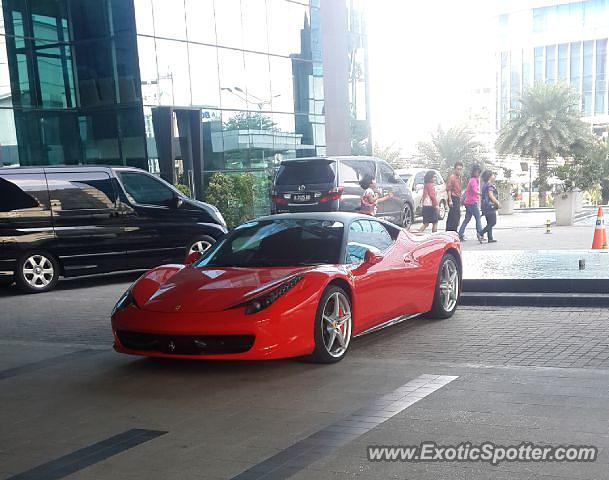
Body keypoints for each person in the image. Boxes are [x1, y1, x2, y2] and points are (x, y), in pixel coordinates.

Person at [458, 165, 484, 242]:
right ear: (474, 172)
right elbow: (475, 190)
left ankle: (460, 233)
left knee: (467, 219)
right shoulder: (473, 180)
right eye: (477, 172)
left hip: (469, 202)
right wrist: (481, 194)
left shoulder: (475, 180)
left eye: (479, 172)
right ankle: (480, 233)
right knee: (478, 218)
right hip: (472, 202)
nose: (478, 173)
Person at [480, 170, 501, 243]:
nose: (493, 176)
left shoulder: (484, 185)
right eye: (492, 175)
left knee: (489, 222)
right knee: (493, 222)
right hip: (490, 206)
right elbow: (491, 196)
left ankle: (490, 238)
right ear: (489, 176)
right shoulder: (489, 185)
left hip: (485, 207)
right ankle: (481, 233)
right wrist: (498, 203)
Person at [445, 162, 464, 232]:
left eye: (460, 169)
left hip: (457, 198)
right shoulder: (452, 178)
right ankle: (451, 231)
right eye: (458, 169)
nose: (459, 171)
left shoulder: (460, 178)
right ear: (455, 169)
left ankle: (452, 231)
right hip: (453, 198)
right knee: (454, 216)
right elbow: (449, 189)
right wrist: (450, 200)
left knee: (455, 216)